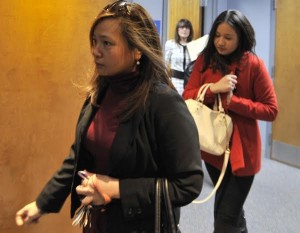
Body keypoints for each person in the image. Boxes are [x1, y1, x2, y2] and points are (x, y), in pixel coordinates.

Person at [15, 1, 203, 233]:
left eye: (107, 43)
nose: (96, 50)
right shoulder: (101, 90)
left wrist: (116, 188)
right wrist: (42, 203)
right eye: (94, 41)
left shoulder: (163, 102)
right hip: (98, 223)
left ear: (137, 50)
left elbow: (188, 184)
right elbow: (78, 155)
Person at [183, 10, 278, 233]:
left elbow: (271, 110)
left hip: (243, 154)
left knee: (224, 220)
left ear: (241, 37)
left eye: (228, 37)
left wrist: (234, 102)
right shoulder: (205, 61)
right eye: (217, 35)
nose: (220, 42)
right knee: (231, 214)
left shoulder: (253, 65)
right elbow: (187, 96)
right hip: (213, 149)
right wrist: (214, 89)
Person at [165, 18, 194, 95]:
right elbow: (165, 63)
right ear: (177, 30)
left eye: (187, 28)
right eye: (182, 27)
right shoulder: (170, 44)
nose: (184, 30)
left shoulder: (194, 45)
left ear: (190, 31)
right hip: (175, 81)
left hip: (189, 81)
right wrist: (165, 80)